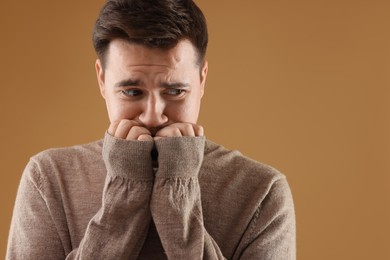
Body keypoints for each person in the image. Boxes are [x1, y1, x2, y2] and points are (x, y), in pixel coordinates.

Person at [6, 0, 296, 259]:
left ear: (202, 80)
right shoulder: (49, 179)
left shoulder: (262, 192)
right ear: (102, 81)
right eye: (132, 92)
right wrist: (125, 193)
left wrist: (178, 196)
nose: (154, 116)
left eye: (175, 91)